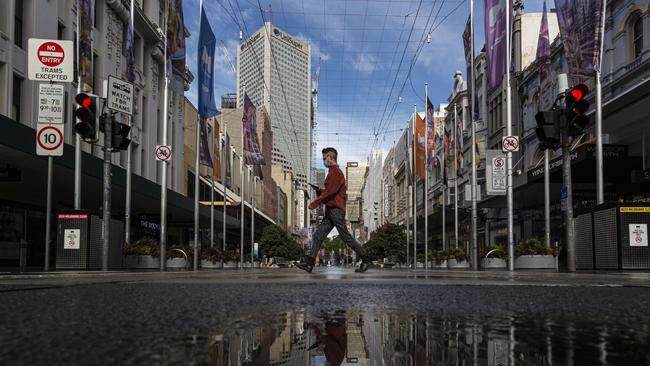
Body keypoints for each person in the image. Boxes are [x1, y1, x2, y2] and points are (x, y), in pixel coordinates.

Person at [297, 147, 372, 273]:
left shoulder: (336, 172)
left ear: (330, 157)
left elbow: (331, 191)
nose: (323, 160)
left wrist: (315, 202)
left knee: (346, 237)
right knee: (318, 236)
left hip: (336, 210)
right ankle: (309, 264)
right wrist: (320, 191)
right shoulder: (333, 172)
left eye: (324, 158)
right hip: (331, 210)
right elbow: (331, 191)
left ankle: (366, 259)